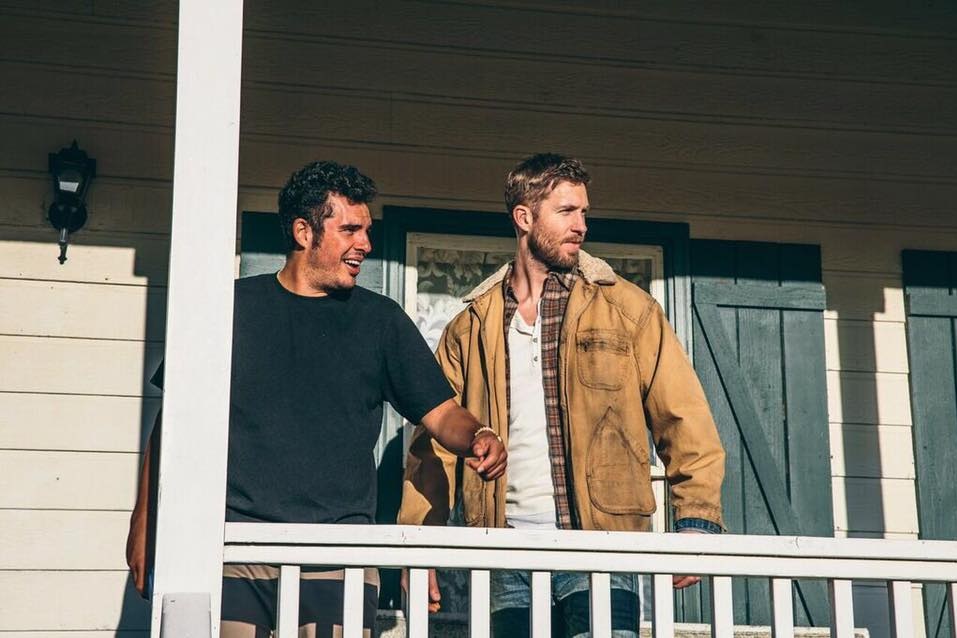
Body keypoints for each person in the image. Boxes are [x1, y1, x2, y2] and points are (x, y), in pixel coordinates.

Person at [125, 160, 506, 638]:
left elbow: (442, 412)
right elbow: (173, 423)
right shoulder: (226, 309)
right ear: (304, 232)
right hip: (233, 545)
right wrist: (145, 520)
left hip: (338, 551)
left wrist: (478, 435)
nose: (365, 244)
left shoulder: (381, 322)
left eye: (367, 231)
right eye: (349, 230)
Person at [397, 153, 725, 637]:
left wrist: (696, 519)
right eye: (566, 211)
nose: (581, 226)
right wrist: (419, 544)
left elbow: (683, 416)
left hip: (604, 546)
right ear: (524, 218)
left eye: (584, 212)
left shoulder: (627, 308)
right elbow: (435, 443)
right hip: (504, 551)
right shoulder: (472, 325)